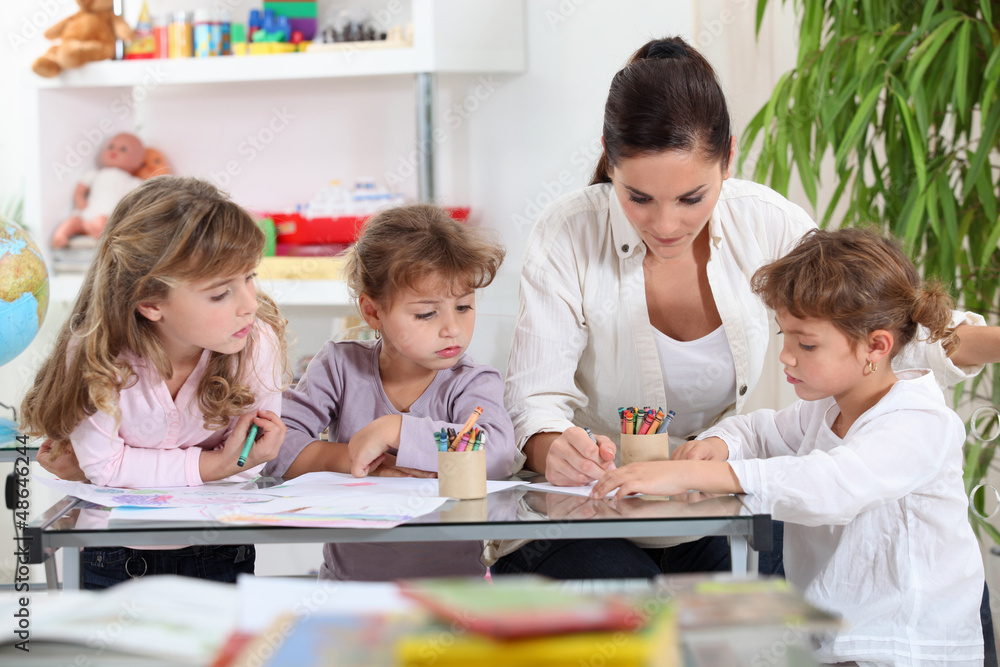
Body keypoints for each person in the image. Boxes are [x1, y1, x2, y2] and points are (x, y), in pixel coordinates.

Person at [493, 35, 998, 580]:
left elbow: (877, 324)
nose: (666, 225)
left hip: (708, 511)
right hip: (587, 512)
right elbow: (533, 405)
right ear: (609, 161)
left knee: (799, 597)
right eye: (638, 198)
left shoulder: (765, 221)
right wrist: (554, 450)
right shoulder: (568, 232)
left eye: (691, 198)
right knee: (639, 604)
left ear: (729, 157)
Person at [592, 228, 986, 665]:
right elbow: (759, 431)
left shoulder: (919, 422)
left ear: (876, 346)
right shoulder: (826, 410)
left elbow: (829, 487)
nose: (786, 356)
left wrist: (691, 473)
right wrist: (719, 444)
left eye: (807, 344)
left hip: (907, 649)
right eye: (785, 336)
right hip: (837, 645)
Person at [23, 176, 288, 589]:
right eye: (220, 294)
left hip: (220, 550)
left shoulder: (256, 344)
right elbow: (107, 468)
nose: (250, 304)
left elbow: (245, 467)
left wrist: (125, 468)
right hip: (112, 555)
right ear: (149, 301)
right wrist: (215, 463)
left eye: (249, 277)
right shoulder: (97, 354)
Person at [263, 203, 517, 581]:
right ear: (373, 312)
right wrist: (358, 460)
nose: (452, 328)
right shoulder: (339, 365)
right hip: (346, 591)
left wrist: (395, 430)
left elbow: (496, 456)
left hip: (455, 596)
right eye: (426, 314)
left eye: (464, 307)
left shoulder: (472, 381)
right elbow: (273, 445)